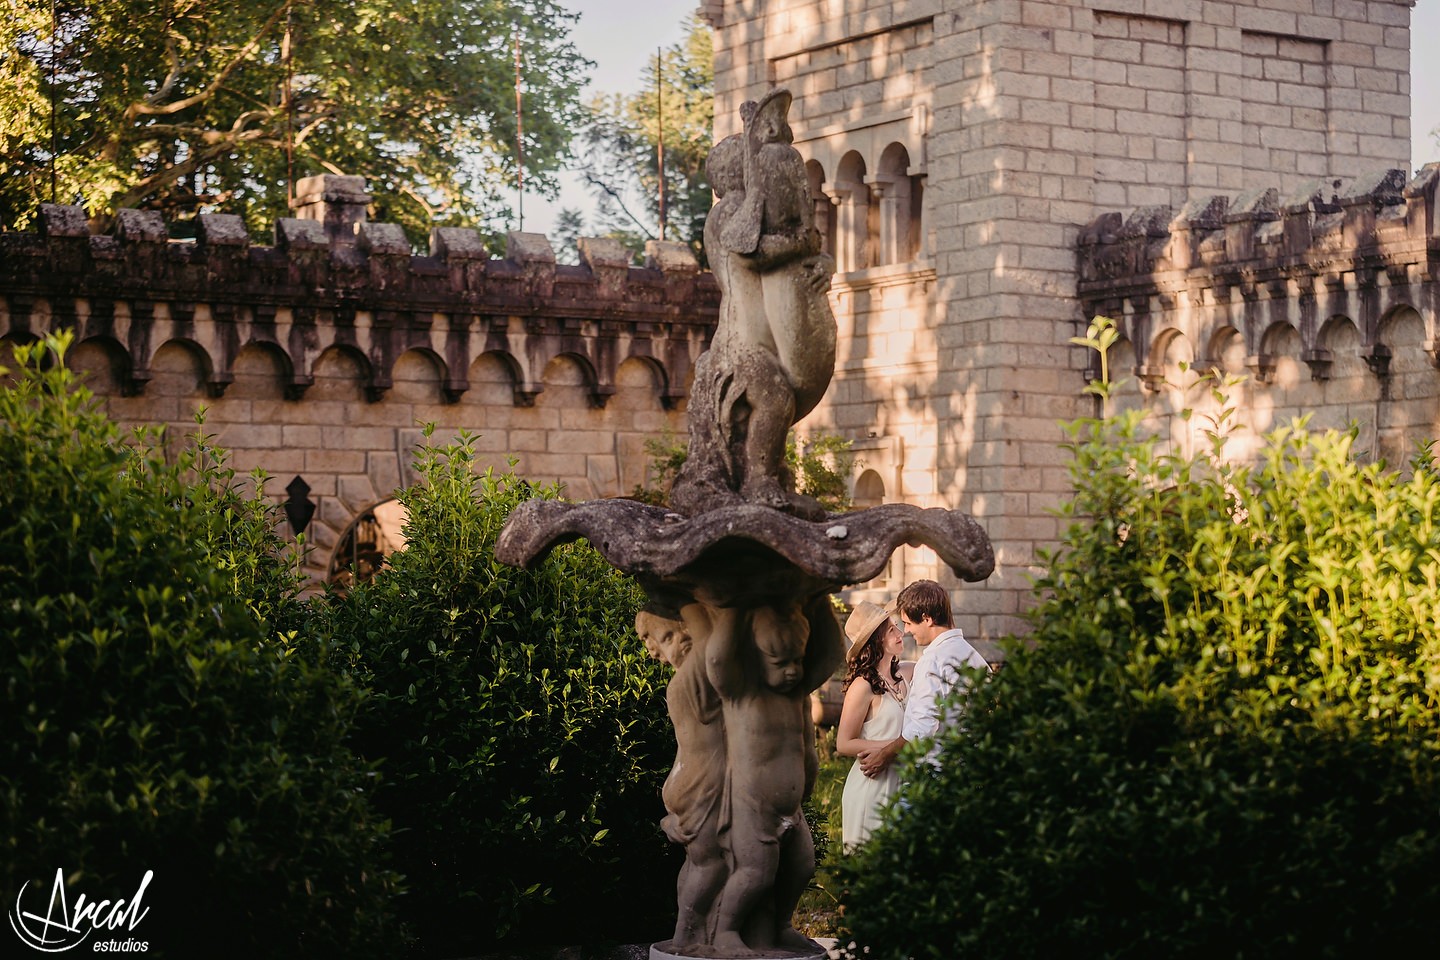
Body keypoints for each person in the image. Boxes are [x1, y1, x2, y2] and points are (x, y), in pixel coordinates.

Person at [701, 597, 840, 954]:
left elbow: (829, 658)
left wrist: (820, 601)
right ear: (754, 658)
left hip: (791, 809)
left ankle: (781, 925)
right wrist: (733, 603)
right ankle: (726, 931)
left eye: (797, 660)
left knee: (802, 865)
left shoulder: (797, 695)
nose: (793, 670)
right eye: (780, 663)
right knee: (755, 872)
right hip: (752, 807)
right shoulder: (742, 693)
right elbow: (717, 661)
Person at [636, 609, 726, 950]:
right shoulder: (689, 681)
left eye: (675, 634)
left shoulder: (687, 679)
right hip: (700, 782)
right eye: (668, 639)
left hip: (687, 780)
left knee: (702, 862)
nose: (681, 640)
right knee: (710, 863)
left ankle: (695, 930)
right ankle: (687, 934)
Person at [857, 580, 990, 777]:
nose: (907, 631)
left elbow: (921, 727)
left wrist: (884, 756)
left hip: (935, 775)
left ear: (927, 619)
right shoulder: (973, 656)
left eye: (909, 623)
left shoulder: (933, 660)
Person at [836, 601, 912, 849]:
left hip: (903, 783)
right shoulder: (863, 686)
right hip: (872, 783)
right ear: (875, 641)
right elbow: (844, 743)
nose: (900, 633)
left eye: (897, 627)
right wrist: (895, 747)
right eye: (892, 630)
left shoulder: (907, 673)